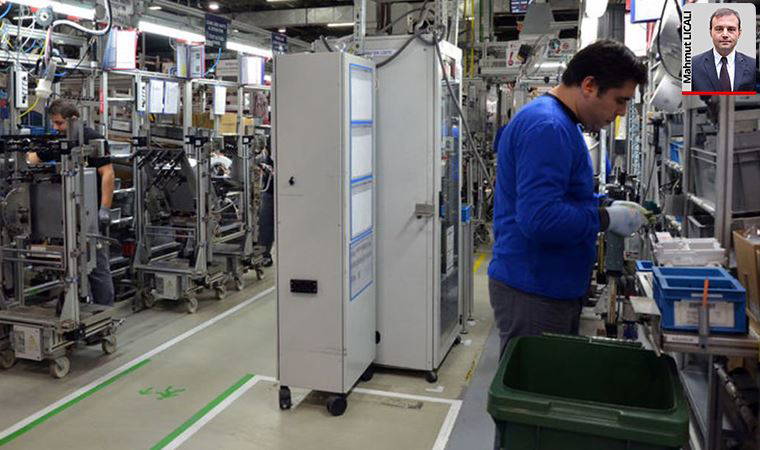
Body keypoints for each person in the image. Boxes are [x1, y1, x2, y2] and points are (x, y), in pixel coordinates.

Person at [27, 99, 115, 307]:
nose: (56, 128)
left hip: (89, 212)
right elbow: (34, 158)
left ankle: (105, 309)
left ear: (73, 119)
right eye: (54, 123)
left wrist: (104, 208)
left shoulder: (93, 138)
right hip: (65, 212)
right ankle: (75, 304)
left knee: (96, 263)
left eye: (59, 123)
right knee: (69, 261)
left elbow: (108, 173)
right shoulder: (61, 141)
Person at [691, 8, 756, 92]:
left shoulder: (753, 66)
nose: (725, 34)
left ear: (739, 33)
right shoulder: (692, 65)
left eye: (731, 29)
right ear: (710, 33)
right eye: (719, 29)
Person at [256, 148, 274, 267]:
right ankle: (265, 254)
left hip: (283, 189)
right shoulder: (272, 142)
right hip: (269, 191)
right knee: (265, 223)